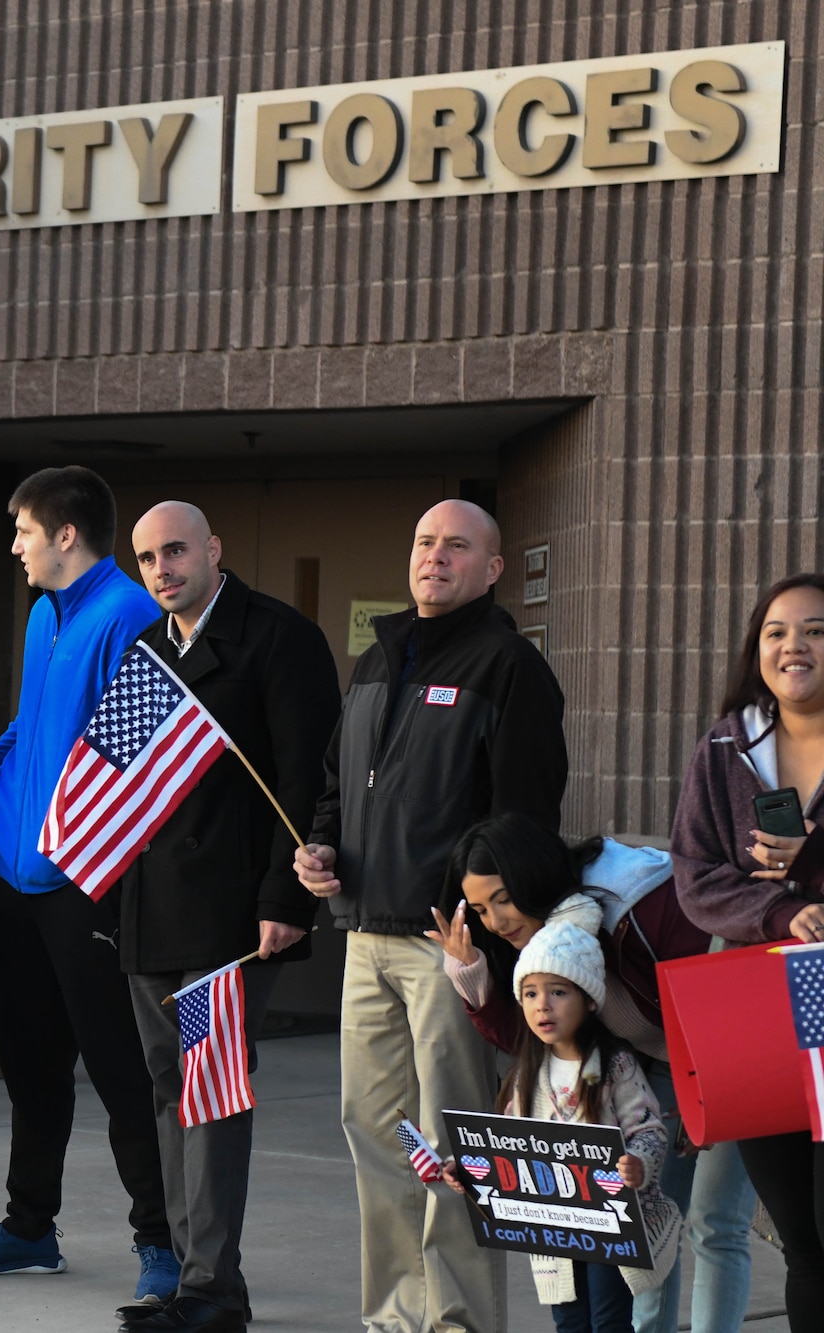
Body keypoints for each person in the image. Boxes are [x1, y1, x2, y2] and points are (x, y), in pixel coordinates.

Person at [296, 498, 567, 1333]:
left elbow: (523, 823)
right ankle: (391, 1316)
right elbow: (340, 786)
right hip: (363, 935)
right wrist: (320, 847)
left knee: (455, 1143)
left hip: (449, 947)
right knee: (375, 1135)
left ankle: (457, 1320)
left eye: (457, 546)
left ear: (492, 569)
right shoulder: (375, 663)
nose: (435, 557)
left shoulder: (509, 668)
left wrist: (484, 943)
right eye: (423, 542)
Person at [0, 466, 175, 1301]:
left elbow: (135, 759)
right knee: (31, 1066)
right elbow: (33, 719)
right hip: (16, 881)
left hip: (85, 888)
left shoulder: (133, 616)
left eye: (24, 531)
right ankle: (30, 1227)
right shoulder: (46, 613)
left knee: (120, 1071)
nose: (14, 545)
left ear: (65, 535)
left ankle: (163, 1242)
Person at [113, 503, 340, 1332]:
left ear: (214, 548)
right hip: (150, 914)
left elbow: (313, 778)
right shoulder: (145, 649)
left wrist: (284, 902)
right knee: (169, 1092)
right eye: (146, 558)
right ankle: (186, 1277)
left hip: (229, 919)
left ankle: (214, 1288)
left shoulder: (279, 637)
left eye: (175, 550)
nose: (162, 568)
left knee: (210, 1097)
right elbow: (128, 787)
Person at [429, 813, 753, 1333]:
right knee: (645, 1223)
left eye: (504, 899)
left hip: (734, 1057)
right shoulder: (555, 935)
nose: (495, 921)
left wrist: (713, 1094)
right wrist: (473, 980)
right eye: (483, 908)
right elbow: (541, 1045)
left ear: (534, 876)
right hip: (661, 1063)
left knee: (716, 1225)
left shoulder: (635, 906)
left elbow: (730, 995)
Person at [671, 572, 824, 1325]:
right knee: (803, 1238)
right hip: (761, 1012)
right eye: (777, 631)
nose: (795, 644)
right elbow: (694, 873)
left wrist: (813, 856)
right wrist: (777, 910)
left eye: (816, 630)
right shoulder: (727, 746)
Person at [439, 919, 679, 1332]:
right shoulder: (526, 1075)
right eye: (530, 993)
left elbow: (649, 1129)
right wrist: (465, 1166)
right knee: (569, 1321)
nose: (542, 1005)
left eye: (558, 991)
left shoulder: (616, 1064)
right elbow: (505, 1147)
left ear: (589, 1000)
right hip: (554, 1231)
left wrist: (638, 1163)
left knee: (609, 1320)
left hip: (610, 1224)